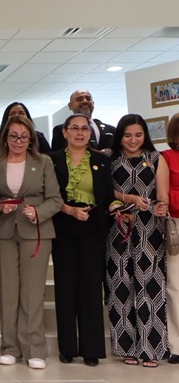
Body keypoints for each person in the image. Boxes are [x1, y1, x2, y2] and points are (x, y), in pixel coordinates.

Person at [0, 116, 62, 370]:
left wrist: (38, 212)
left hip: (36, 231)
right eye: (13, 136)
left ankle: (35, 349)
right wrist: (0, 208)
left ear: (31, 138)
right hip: (3, 233)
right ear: (5, 138)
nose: (18, 141)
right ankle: (9, 348)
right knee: (7, 291)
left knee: (32, 292)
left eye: (23, 136)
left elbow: (55, 199)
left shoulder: (43, 162)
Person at [49, 113, 116, 367]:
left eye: (84, 128)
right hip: (63, 226)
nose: (80, 133)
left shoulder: (101, 160)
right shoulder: (52, 160)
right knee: (65, 287)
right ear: (64, 132)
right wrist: (68, 210)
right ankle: (67, 348)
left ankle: (92, 349)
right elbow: (48, 195)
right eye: (74, 128)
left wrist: (117, 206)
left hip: (93, 228)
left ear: (90, 133)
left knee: (90, 288)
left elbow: (107, 195)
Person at [103, 114, 168, 367]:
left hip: (150, 230)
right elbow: (103, 191)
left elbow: (162, 195)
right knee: (119, 285)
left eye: (138, 135)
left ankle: (152, 349)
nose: (133, 140)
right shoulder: (109, 157)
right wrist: (127, 199)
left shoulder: (155, 158)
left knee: (151, 287)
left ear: (145, 135)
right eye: (128, 135)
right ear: (120, 135)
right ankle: (126, 347)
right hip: (117, 227)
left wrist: (161, 206)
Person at [157, 113, 179, 365]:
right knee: (175, 285)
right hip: (175, 223)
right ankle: (176, 344)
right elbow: (162, 195)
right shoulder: (166, 157)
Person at [51, 90, 115, 151]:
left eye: (88, 99)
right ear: (70, 106)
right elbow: (56, 155)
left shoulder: (111, 130)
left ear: (93, 103)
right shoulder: (61, 130)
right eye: (79, 99)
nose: (85, 101)